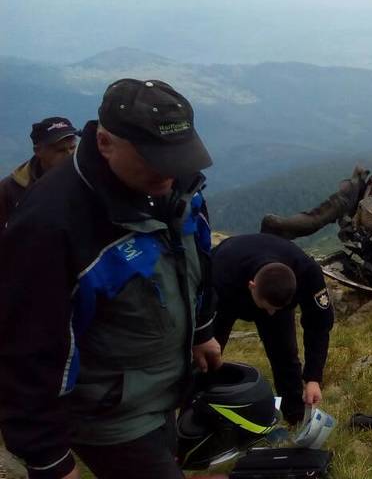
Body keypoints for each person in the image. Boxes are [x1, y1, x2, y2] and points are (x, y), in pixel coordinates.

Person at [0, 79, 223, 479]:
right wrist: (47, 457)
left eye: (178, 156)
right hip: (106, 413)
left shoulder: (178, 185)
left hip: (161, 387)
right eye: (154, 158)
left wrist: (202, 327)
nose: (169, 172)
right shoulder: (52, 224)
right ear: (105, 143)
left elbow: (196, 257)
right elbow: (25, 346)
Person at [211, 233, 335, 425]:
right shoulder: (221, 269)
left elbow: (318, 325)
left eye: (275, 309)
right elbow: (200, 313)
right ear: (252, 286)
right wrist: (205, 338)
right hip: (227, 295)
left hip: (274, 293)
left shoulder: (307, 273)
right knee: (208, 356)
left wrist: (313, 378)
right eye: (267, 307)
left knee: (285, 356)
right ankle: (199, 410)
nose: (269, 314)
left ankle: (295, 417)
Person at [0, 116, 79, 229]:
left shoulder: (88, 180)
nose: (69, 155)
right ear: (38, 151)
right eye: (60, 150)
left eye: (73, 148)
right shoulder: (9, 190)